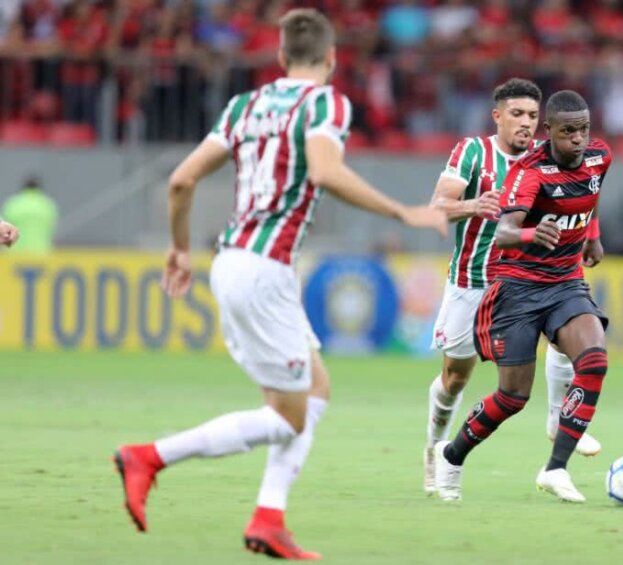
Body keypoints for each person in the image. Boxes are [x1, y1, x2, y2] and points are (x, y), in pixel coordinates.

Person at [113, 8, 446, 560]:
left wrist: (178, 248)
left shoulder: (245, 106)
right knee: (287, 416)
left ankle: (269, 517)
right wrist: (402, 213)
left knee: (314, 388)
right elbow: (323, 170)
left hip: (234, 262)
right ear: (333, 57)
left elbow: (181, 179)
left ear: (280, 58)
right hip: (263, 270)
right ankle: (149, 456)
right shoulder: (327, 102)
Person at [433, 90, 612, 503]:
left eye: (584, 130)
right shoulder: (531, 172)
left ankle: (555, 469)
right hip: (518, 286)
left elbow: (592, 191)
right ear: (549, 132)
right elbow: (505, 233)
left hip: (566, 283)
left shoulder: (600, 156)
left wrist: (592, 236)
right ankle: (452, 454)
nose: (578, 140)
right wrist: (533, 233)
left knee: (595, 359)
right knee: (512, 397)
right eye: (568, 132)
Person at [0, 176, 58, 254]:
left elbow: (4, 230)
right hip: (41, 252)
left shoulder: (13, 205)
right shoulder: (48, 205)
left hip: (16, 253)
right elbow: (52, 228)